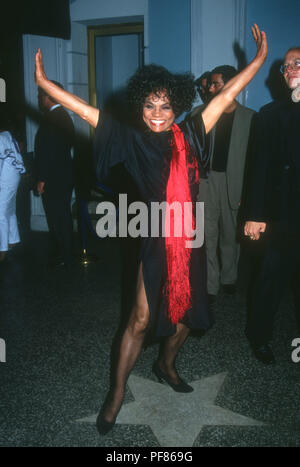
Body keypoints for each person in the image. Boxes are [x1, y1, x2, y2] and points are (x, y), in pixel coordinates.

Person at [34, 24, 267, 434]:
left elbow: (226, 95)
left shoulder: (192, 132)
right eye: (149, 106)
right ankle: (117, 391)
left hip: (190, 236)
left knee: (186, 316)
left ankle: (166, 364)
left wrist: (259, 61)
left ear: (176, 106)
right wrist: (46, 85)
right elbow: (87, 112)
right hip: (155, 235)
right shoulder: (129, 138)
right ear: (140, 108)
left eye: (164, 106)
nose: (157, 115)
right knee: (140, 319)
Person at [243, 47, 300, 364]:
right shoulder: (270, 114)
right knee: (270, 279)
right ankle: (259, 337)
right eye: (286, 66)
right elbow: (259, 167)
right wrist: (254, 215)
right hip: (280, 217)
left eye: (298, 63)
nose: (290, 68)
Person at [187, 66, 255, 302]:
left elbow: (255, 159)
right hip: (206, 181)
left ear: (231, 84)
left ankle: (229, 278)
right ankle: (210, 284)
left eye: (216, 84)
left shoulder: (250, 118)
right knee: (207, 233)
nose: (210, 88)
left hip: (234, 181)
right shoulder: (199, 113)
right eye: (211, 84)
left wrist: (248, 191)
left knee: (230, 234)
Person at [35, 82, 75, 267]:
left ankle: (64, 255)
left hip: (54, 177)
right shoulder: (63, 116)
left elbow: (49, 152)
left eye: (41, 95)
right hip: (63, 174)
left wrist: (42, 179)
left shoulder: (53, 118)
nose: (39, 99)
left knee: (57, 216)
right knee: (62, 215)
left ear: (49, 96)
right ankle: (64, 252)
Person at [0, 114, 25, 262]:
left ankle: (2, 249)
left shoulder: (1, 138)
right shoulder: (8, 136)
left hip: (5, 179)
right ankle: (13, 240)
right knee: (9, 211)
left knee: (0, 213)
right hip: (13, 178)